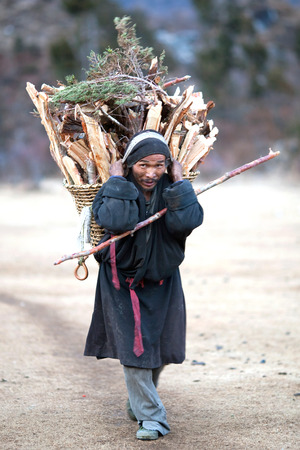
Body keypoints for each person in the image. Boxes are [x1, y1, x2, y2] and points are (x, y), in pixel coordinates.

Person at [84, 129, 204, 440]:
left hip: (163, 279)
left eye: (159, 165)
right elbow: (118, 222)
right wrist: (117, 182)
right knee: (134, 350)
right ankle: (153, 420)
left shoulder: (173, 188)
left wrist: (179, 183)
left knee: (160, 348)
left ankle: (139, 400)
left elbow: (186, 224)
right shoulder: (114, 188)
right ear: (129, 165)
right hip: (121, 281)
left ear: (168, 165)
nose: (151, 173)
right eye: (143, 166)